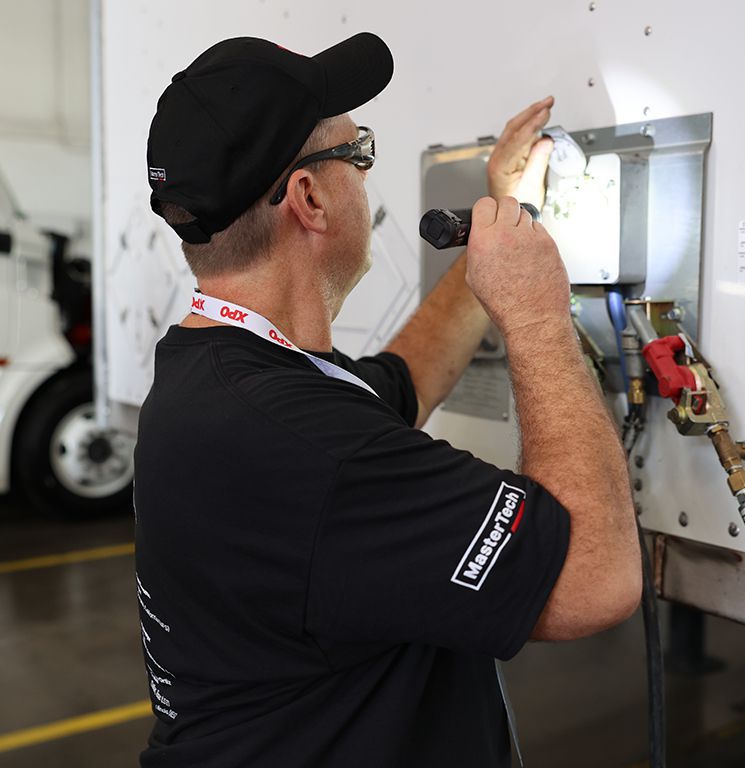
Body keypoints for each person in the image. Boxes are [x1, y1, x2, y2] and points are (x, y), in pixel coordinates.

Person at [136, 32, 640, 768]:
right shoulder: (304, 447)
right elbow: (595, 578)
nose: (365, 178)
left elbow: (402, 381)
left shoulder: (223, 378)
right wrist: (534, 314)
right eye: (358, 152)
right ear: (308, 198)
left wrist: (500, 222)